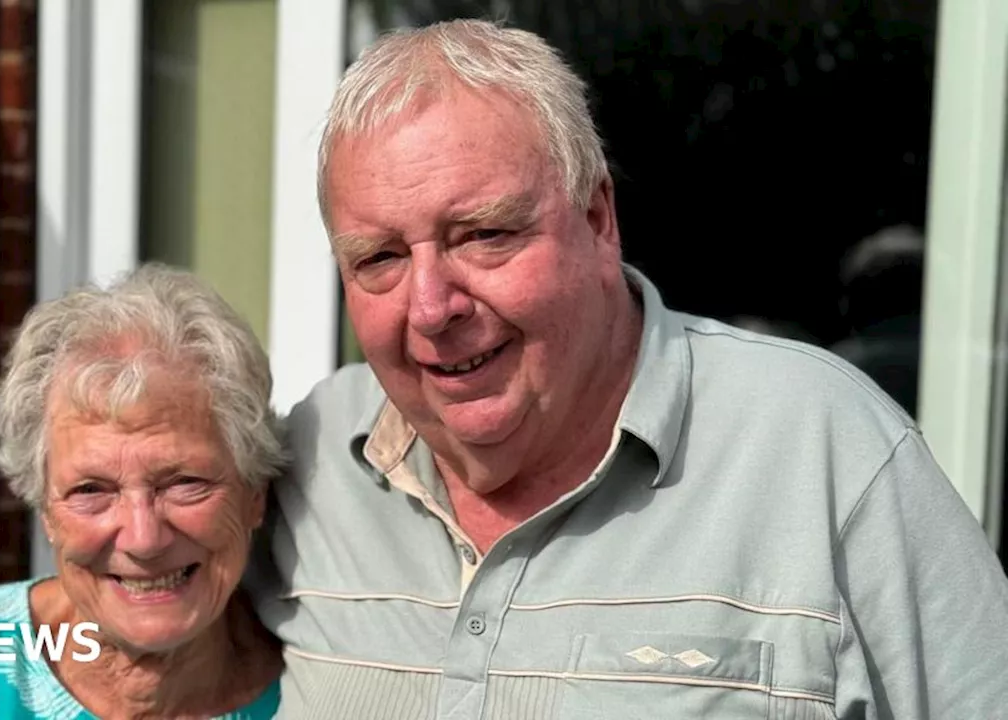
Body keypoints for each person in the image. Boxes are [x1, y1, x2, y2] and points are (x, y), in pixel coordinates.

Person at [247, 18, 1008, 719]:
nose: (430, 307)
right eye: (378, 258)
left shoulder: (823, 450)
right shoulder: (314, 460)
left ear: (597, 217)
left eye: (482, 234)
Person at [0, 264, 285, 719]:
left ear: (255, 492)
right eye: (91, 490)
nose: (143, 539)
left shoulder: (323, 691)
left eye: (184, 483)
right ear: (45, 513)